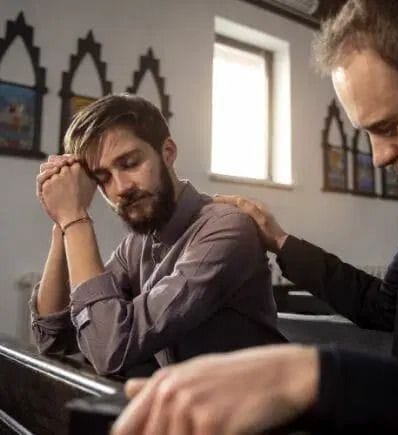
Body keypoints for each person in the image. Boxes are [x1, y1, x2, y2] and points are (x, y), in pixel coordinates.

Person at [111, 1, 398, 434]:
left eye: (388, 127)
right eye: (367, 133)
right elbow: (387, 308)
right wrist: (282, 242)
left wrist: (312, 376)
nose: (379, 157)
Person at [30, 94, 286, 376]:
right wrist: (63, 221)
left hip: (256, 402)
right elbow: (54, 340)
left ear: (167, 152)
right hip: (189, 400)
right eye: (103, 178)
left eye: (130, 163)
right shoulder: (136, 245)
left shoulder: (227, 228)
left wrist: (75, 218)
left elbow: (110, 349)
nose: (121, 188)